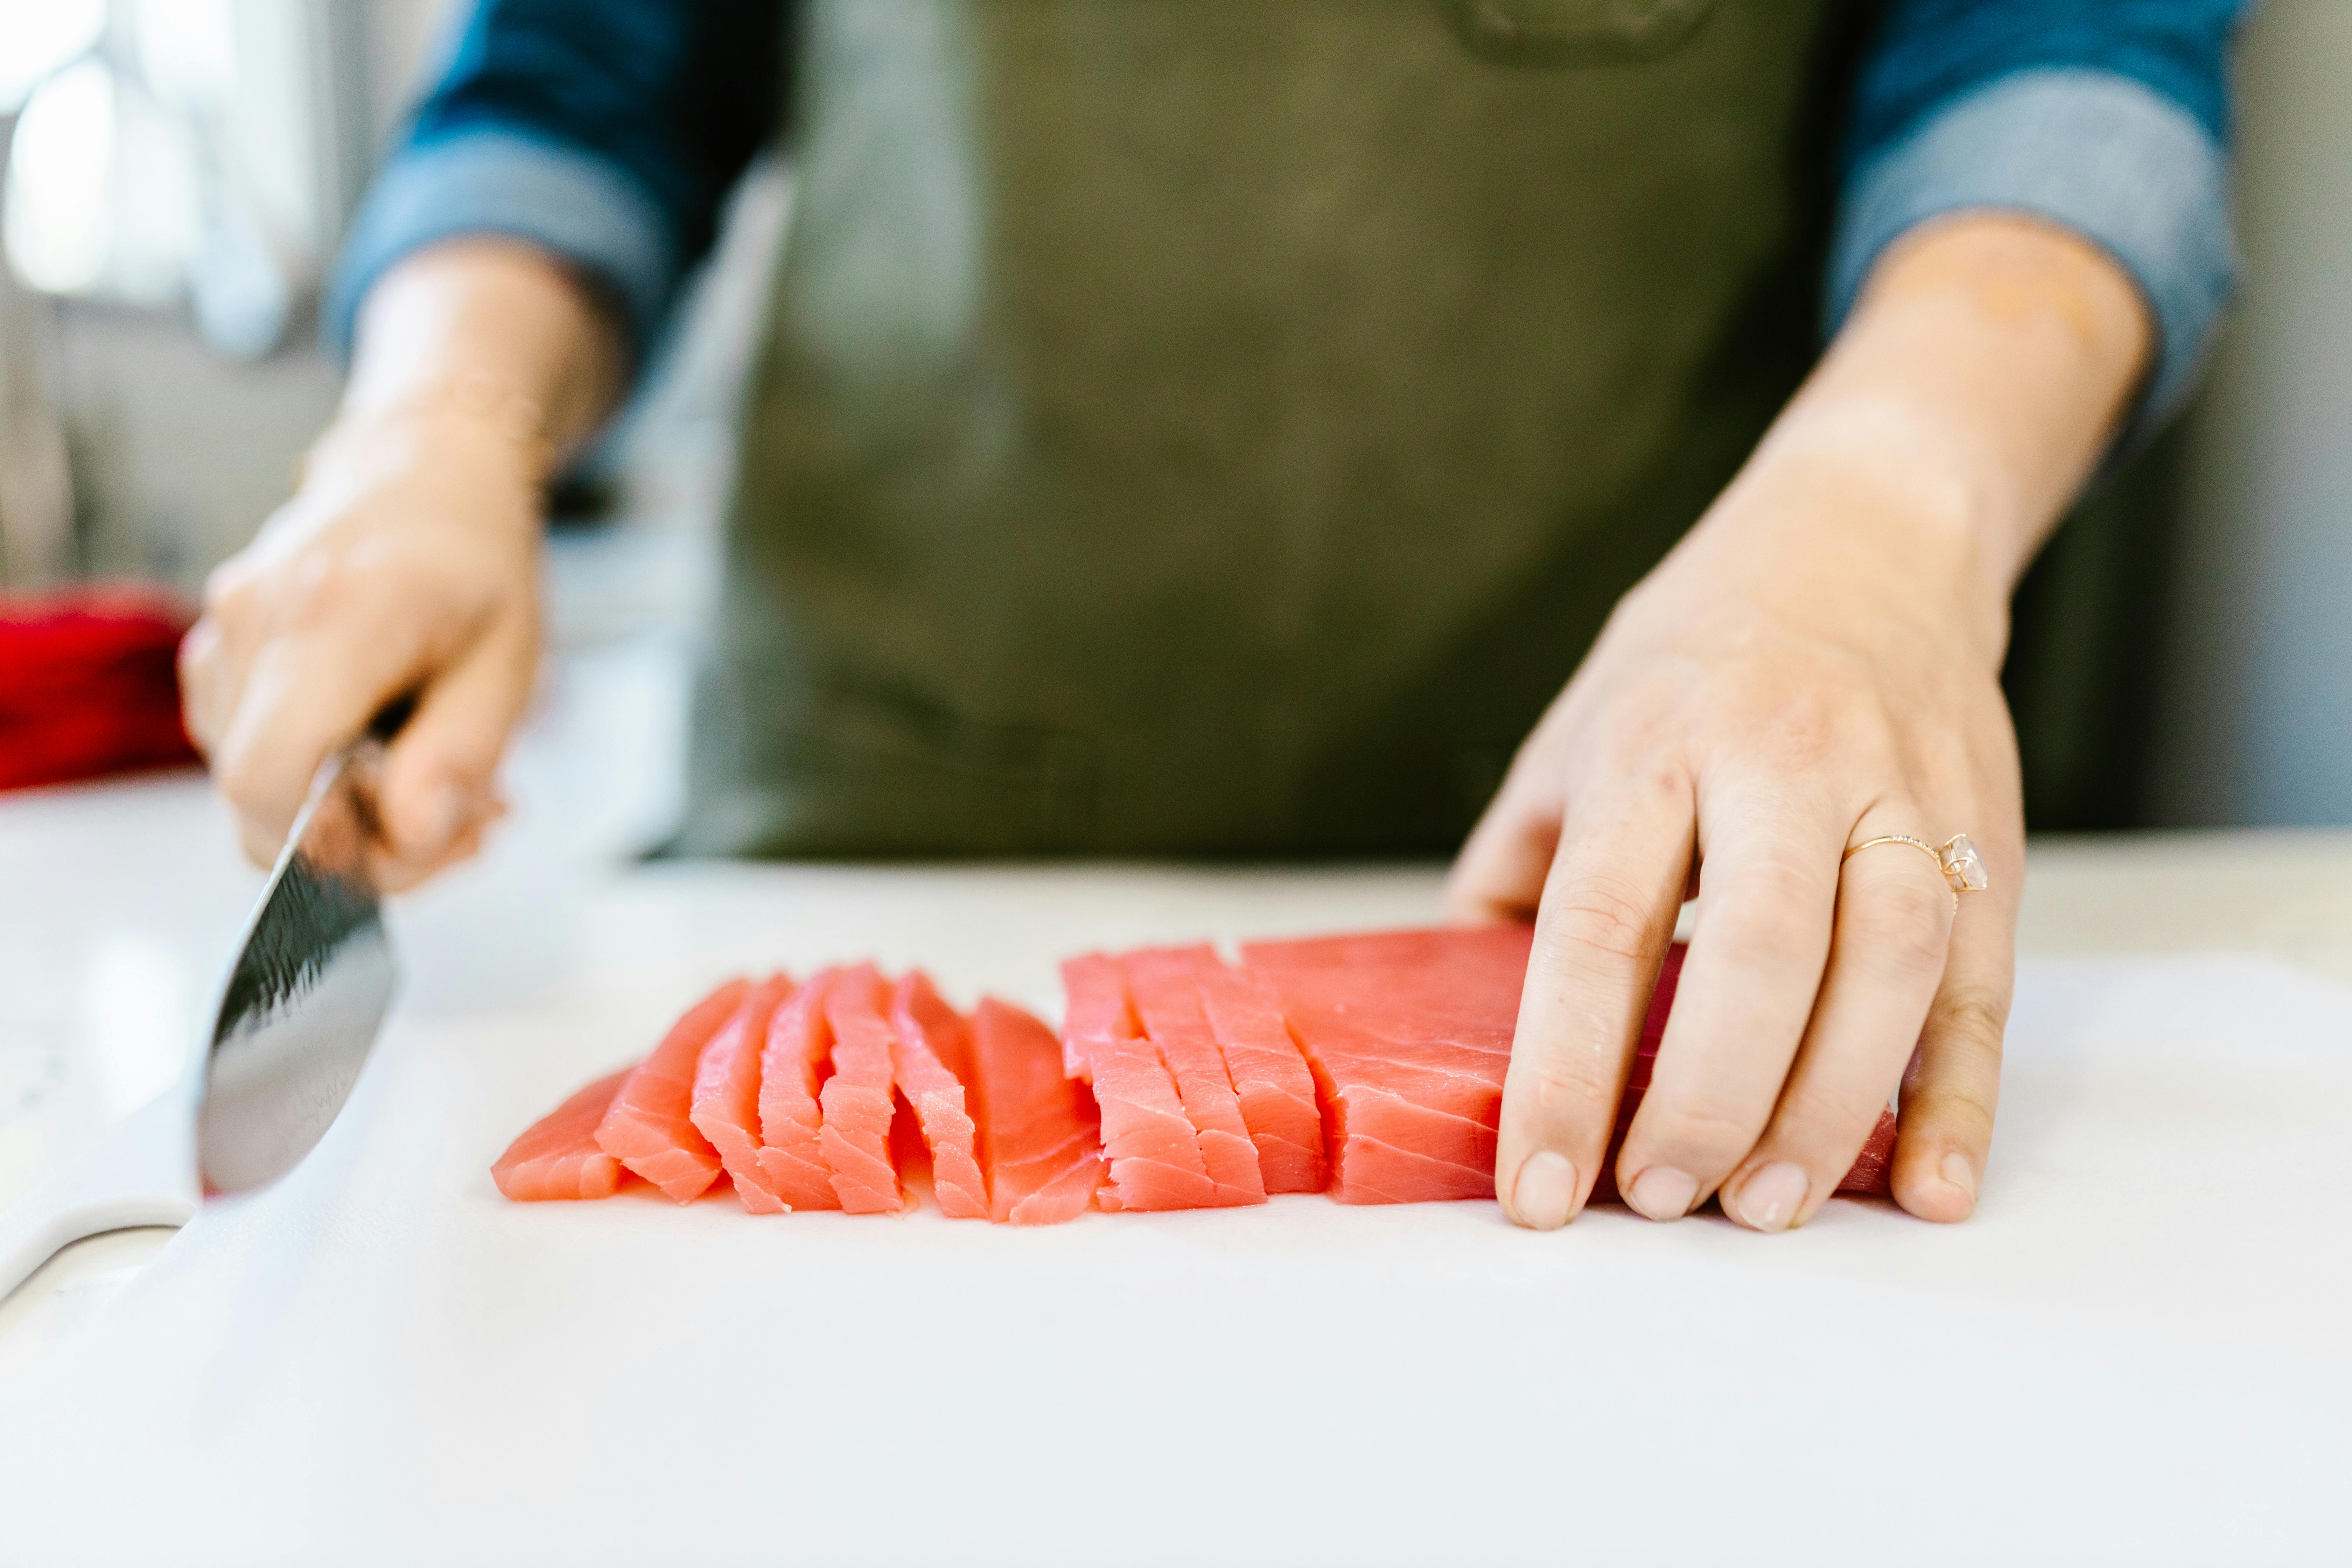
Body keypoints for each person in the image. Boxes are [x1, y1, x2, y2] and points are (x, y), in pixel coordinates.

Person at [178, 0, 2246, 1233]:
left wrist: (1884, 507)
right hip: (890, 778)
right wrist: (432, 429)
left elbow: (2066, 52)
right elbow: (575, 71)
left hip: (1680, 843)